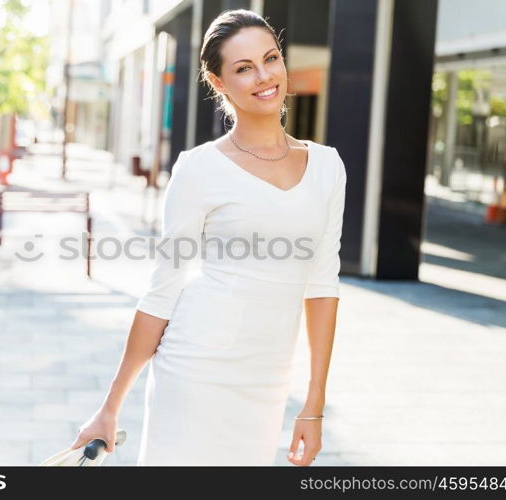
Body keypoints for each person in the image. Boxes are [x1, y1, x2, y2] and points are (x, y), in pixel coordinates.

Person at [70, 8, 346, 466]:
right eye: (243, 68)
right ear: (219, 83)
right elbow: (163, 289)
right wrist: (110, 406)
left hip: (268, 377)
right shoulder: (199, 168)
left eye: (270, 58)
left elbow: (322, 282)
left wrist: (314, 403)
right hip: (195, 369)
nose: (264, 76)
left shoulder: (328, 166)